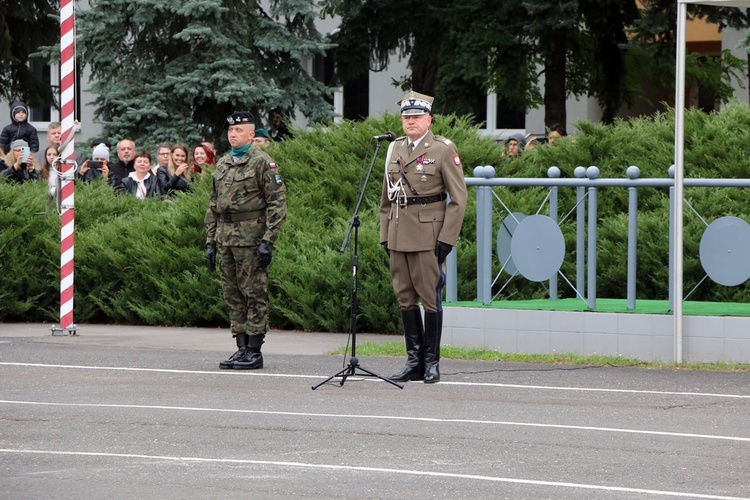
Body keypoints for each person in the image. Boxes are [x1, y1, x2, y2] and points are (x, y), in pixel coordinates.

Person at [379, 91, 468, 384]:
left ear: (429, 119)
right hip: (398, 232)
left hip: (429, 234)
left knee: (430, 298)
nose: (410, 122)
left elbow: (458, 198)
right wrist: (384, 234)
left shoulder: (442, 149)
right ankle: (413, 361)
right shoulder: (393, 149)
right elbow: (386, 198)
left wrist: (447, 238)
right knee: (404, 297)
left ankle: (432, 362)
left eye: (416, 117)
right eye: (406, 117)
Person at [205, 111, 287, 371]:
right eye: (230, 130)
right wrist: (210, 241)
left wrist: (268, 241)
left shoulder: (263, 162)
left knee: (254, 293)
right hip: (226, 239)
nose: (233, 134)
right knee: (233, 295)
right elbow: (213, 205)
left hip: (252, 239)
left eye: (238, 131)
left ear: (251, 135)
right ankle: (241, 348)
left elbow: (277, 203)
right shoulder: (223, 163)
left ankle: (254, 350)